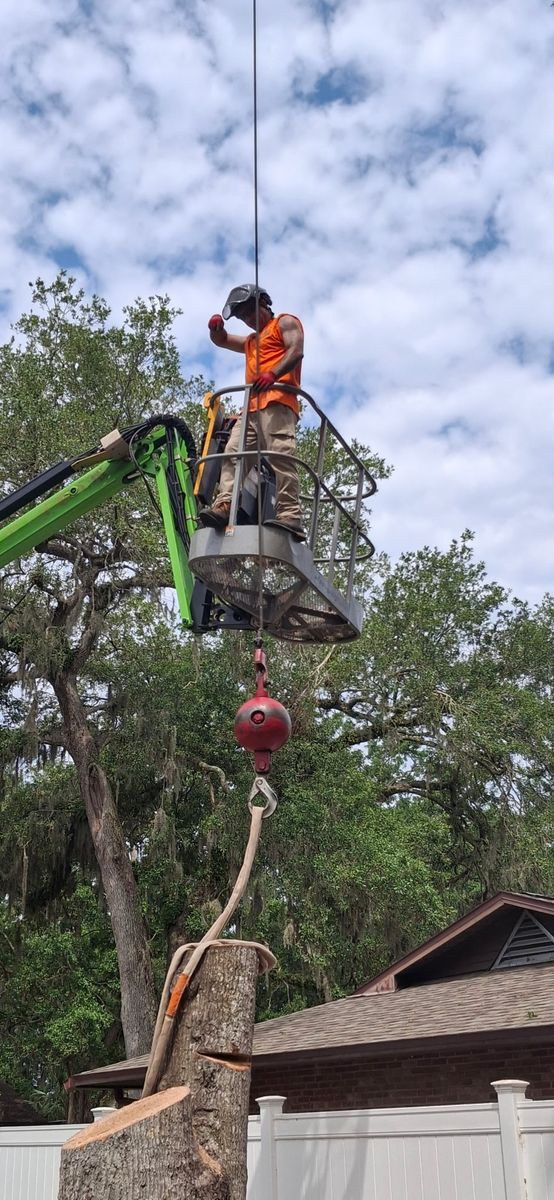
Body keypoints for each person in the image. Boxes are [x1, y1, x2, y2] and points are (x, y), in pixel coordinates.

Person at [197, 284, 306, 540]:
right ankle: (225, 505)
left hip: (277, 402)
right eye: (243, 317)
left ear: (264, 303)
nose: (248, 319)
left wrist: (273, 374)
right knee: (233, 453)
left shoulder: (284, 323)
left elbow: (296, 350)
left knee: (280, 455)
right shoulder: (251, 342)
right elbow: (222, 340)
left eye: (249, 312)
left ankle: (290, 514)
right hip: (251, 408)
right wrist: (216, 329)